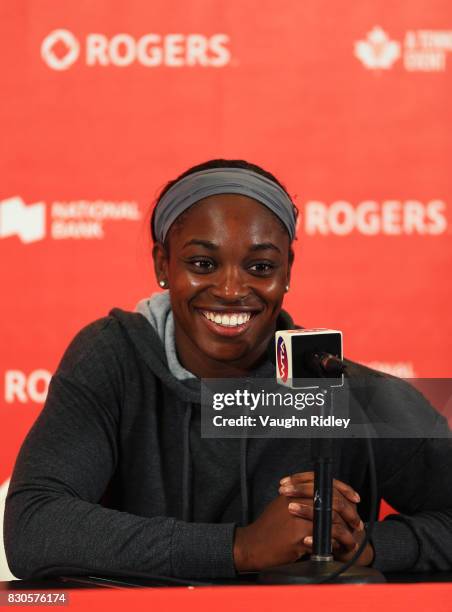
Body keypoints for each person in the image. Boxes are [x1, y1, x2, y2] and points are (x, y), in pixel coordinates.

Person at [4, 159, 452, 580]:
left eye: (260, 266)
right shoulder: (114, 356)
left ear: (287, 271)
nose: (232, 289)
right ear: (163, 264)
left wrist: (360, 546)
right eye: (203, 264)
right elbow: (33, 524)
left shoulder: (333, 382)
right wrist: (240, 548)